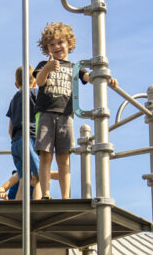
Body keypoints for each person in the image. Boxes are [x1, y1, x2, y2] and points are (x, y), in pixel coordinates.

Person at [32, 22, 117, 199]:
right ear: (47, 48)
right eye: (52, 44)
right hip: (46, 113)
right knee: (46, 155)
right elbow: (40, 82)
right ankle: (46, 193)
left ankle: (65, 196)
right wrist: (47, 68)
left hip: (65, 115)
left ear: (69, 44)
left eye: (60, 42)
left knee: (64, 158)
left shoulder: (75, 67)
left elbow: (89, 78)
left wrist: (105, 79)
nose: (56, 47)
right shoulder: (43, 64)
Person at [6, 66, 40, 200]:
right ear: (35, 82)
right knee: (38, 177)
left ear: (16, 84)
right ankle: (38, 207)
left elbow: (10, 128)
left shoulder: (13, 100)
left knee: (23, 178)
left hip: (16, 142)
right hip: (31, 139)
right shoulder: (35, 94)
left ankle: (19, 208)